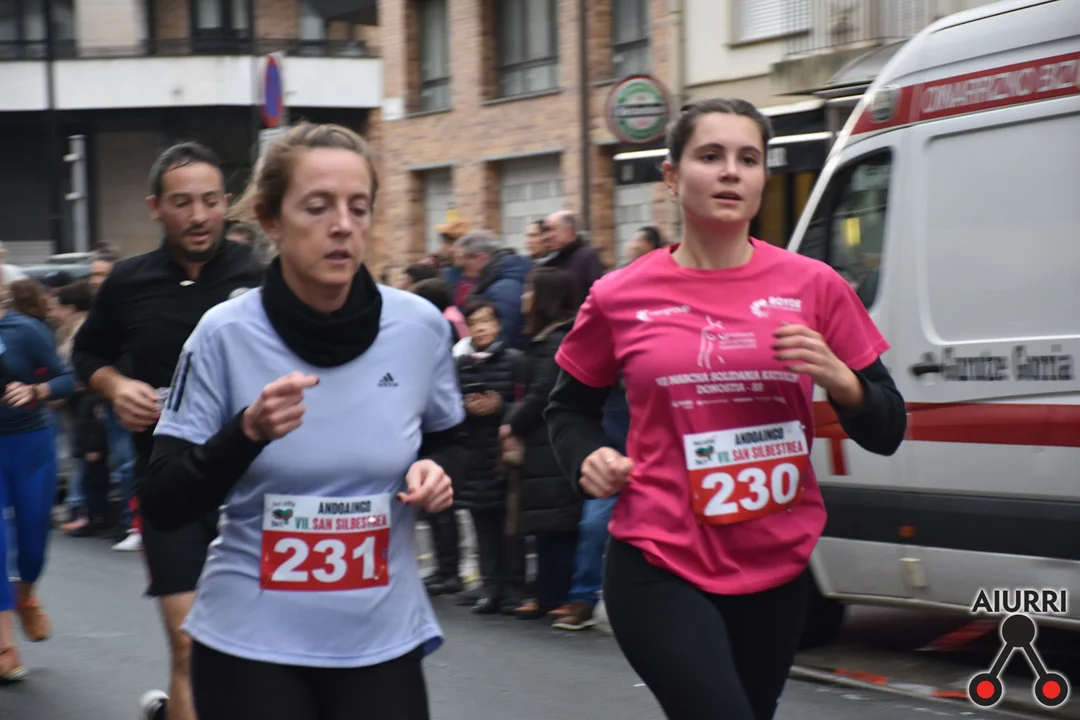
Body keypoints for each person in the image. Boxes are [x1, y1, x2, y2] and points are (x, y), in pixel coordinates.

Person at [545, 98, 908, 720]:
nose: (731, 172)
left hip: (777, 565)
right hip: (658, 558)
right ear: (671, 175)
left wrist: (842, 380)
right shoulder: (618, 295)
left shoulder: (815, 285)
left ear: (763, 176)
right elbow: (567, 408)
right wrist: (589, 458)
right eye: (710, 156)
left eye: (748, 159)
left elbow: (889, 427)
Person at [139, 122, 465, 720]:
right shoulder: (224, 334)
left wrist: (437, 470)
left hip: (381, 639)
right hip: (251, 641)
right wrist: (246, 433)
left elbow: (452, 440)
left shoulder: (419, 328)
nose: (342, 225)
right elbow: (163, 500)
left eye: (358, 207)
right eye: (317, 207)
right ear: (271, 220)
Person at [72, 141, 263, 720]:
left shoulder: (262, 276)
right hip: (168, 483)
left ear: (226, 203)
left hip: (256, 486)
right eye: (182, 203)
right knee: (189, 646)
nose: (199, 215)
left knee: (257, 651)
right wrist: (116, 387)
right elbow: (87, 354)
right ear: (156, 207)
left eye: (210, 201)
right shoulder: (128, 281)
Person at [0, 265, 76, 682]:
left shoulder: (24, 330)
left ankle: (25, 593)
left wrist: (35, 390)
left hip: (29, 446)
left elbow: (68, 378)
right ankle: (4, 647)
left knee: (32, 544)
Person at [500, 267, 582, 619]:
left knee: (558, 521)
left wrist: (512, 423)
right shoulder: (545, 338)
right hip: (540, 442)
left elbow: (543, 392)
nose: (524, 296)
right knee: (545, 522)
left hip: (552, 441)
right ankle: (548, 594)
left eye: (530, 289)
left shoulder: (557, 340)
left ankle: (561, 595)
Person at [454, 299, 523, 614]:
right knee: (482, 524)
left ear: (498, 325)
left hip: (504, 453)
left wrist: (501, 408)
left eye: (486, 321)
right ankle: (490, 586)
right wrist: (465, 409)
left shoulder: (515, 360)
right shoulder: (461, 364)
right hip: (474, 453)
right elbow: (447, 406)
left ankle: (513, 589)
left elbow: (527, 402)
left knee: (511, 525)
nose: (480, 328)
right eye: (474, 323)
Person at [454, 230, 532, 350]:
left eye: (466, 264)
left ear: (480, 257)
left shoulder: (502, 289)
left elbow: (501, 338)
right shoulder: (507, 278)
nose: (464, 272)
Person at [541, 211, 605, 305]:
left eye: (551, 230)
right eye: (545, 231)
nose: (546, 237)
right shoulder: (551, 263)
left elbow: (597, 295)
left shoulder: (587, 257)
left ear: (570, 230)